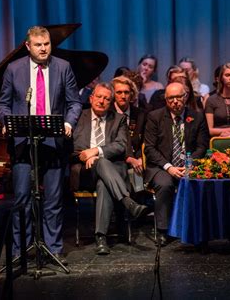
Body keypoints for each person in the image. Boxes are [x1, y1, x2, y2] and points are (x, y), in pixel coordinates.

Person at [0, 26, 82, 265]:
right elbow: (3, 104)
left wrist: (68, 122)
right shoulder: (14, 69)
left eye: (46, 44)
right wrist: (6, 122)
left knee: (54, 199)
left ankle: (53, 248)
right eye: (38, 45)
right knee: (22, 197)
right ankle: (20, 250)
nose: (43, 48)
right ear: (28, 46)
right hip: (24, 141)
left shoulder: (63, 67)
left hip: (54, 141)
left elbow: (74, 102)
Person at [70, 82, 148, 255]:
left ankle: (101, 238)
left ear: (110, 101)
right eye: (99, 97)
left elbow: (121, 145)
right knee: (102, 163)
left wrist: (96, 152)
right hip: (85, 171)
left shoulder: (118, 119)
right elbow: (73, 148)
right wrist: (88, 155)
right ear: (91, 98)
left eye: (106, 98)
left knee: (103, 182)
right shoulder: (79, 117)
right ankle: (127, 202)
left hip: (112, 171)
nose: (102, 101)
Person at [144, 82, 210, 246]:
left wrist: (189, 163)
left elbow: (203, 146)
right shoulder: (155, 117)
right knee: (165, 185)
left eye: (178, 97)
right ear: (166, 99)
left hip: (189, 164)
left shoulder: (197, 117)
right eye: (170, 98)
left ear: (185, 97)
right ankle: (163, 231)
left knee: (200, 184)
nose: (175, 101)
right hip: (162, 166)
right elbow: (150, 149)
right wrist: (169, 167)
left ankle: (198, 228)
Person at [111, 76, 146, 180]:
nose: (123, 96)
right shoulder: (108, 114)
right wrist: (128, 158)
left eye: (126, 92)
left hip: (137, 160)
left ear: (131, 94)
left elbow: (144, 140)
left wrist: (140, 158)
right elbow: (108, 144)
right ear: (113, 94)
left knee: (139, 180)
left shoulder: (140, 114)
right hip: (116, 160)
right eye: (119, 92)